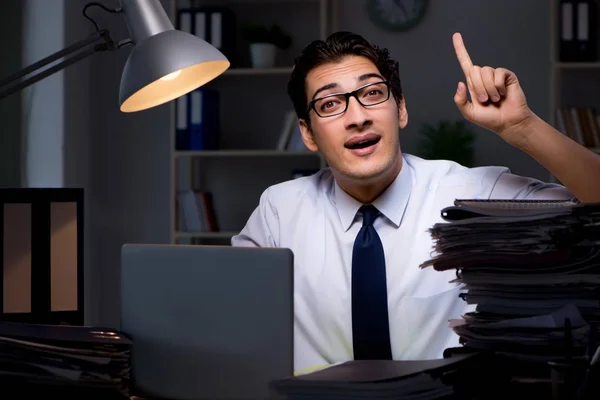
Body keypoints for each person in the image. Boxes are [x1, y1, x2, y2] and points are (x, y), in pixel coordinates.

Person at [231, 31, 600, 373]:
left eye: (373, 93)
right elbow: (224, 321)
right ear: (308, 134)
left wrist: (523, 127)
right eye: (330, 104)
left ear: (401, 109)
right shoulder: (278, 212)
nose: (358, 117)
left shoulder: (475, 194)